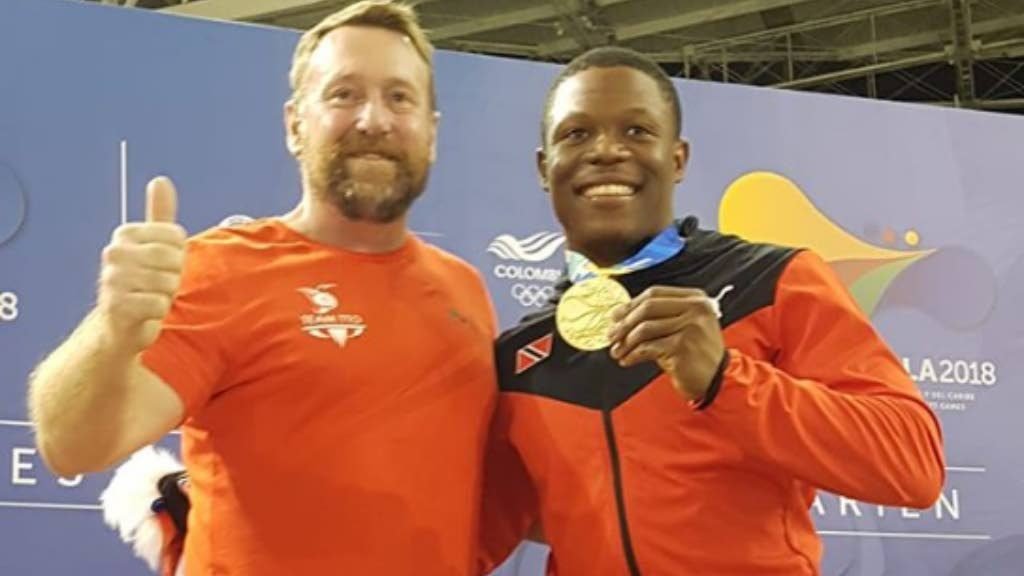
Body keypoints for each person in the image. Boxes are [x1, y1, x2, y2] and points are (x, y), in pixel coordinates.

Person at [28, 2, 498, 574]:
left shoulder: (464, 288)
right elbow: (70, 446)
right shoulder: (222, 269)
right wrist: (113, 327)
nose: (374, 119)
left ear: (432, 131)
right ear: (295, 124)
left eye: (400, 97)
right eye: (344, 94)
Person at [478, 46, 946, 576]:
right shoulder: (520, 358)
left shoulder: (772, 282)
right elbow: (471, 536)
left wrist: (727, 381)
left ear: (677, 159)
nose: (606, 150)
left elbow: (913, 465)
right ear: (546, 168)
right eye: (576, 134)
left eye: (636, 131)